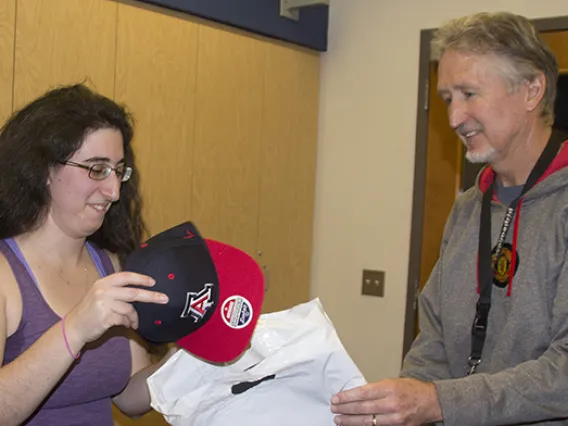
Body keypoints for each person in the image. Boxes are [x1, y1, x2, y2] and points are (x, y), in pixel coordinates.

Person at [330, 11, 568, 426]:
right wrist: (401, 406)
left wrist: (438, 401)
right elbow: (435, 342)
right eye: (447, 99)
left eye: (470, 94)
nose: (454, 118)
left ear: (532, 90)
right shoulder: (467, 208)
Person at [0, 83, 175, 425]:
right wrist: (75, 329)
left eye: (118, 170)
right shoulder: (6, 274)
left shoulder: (109, 266)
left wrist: (194, 354)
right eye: (96, 169)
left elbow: (129, 396)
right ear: (45, 170)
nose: (113, 191)